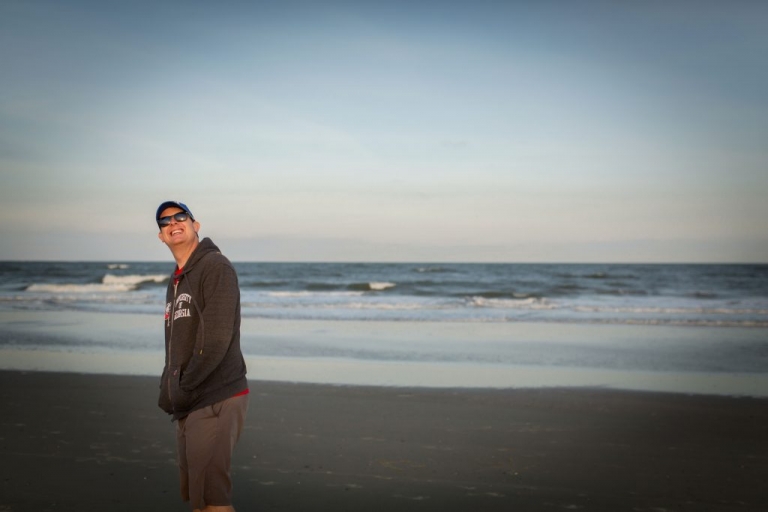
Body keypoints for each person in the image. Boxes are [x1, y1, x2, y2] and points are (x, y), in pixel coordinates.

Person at [155, 200, 249, 512]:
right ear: (161, 236)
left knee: (214, 502)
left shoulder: (215, 267)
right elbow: (177, 343)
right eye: (165, 221)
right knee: (199, 501)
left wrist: (183, 388)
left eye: (181, 216)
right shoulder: (179, 277)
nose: (173, 222)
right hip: (189, 401)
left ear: (196, 225)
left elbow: (216, 340)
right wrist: (168, 387)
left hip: (214, 396)